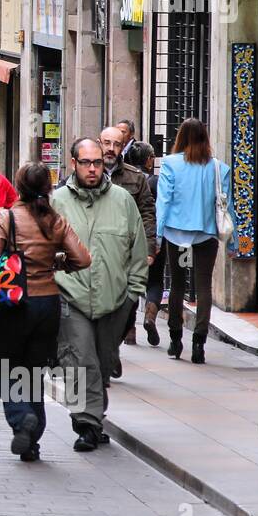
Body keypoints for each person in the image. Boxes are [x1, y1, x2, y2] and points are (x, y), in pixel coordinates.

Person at [0, 163, 90, 461]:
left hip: (15, 303)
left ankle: (20, 416)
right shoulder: (56, 221)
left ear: (19, 187)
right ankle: (31, 442)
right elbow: (83, 259)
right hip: (48, 304)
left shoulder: (6, 218)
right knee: (33, 372)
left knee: (5, 369)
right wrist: (57, 263)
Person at [52, 138, 148, 452]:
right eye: (85, 162)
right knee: (81, 361)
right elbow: (42, 250)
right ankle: (87, 424)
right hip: (71, 296)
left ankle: (95, 415)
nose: (92, 168)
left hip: (115, 299)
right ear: (73, 164)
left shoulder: (122, 200)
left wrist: (133, 293)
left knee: (103, 362)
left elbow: (138, 250)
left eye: (97, 163)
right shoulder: (57, 202)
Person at [155, 117, 229, 362]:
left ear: (180, 137)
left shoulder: (170, 164)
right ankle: (199, 342)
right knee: (204, 286)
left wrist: (157, 234)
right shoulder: (219, 167)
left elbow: (164, 200)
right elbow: (226, 205)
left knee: (177, 285)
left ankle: (176, 339)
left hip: (176, 233)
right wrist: (235, 239)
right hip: (206, 234)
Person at [100, 125, 157, 372]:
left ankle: (112, 345)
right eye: (107, 143)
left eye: (116, 144)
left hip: (126, 254)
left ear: (123, 147)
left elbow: (147, 213)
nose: (111, 149)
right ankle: (107, 353)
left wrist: (149, 248)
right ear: (99, 143)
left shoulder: (135, 178)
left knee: (128, 306)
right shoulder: (87, 173)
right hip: (98, 253)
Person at [127, 140, 165, 344]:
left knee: (131, 282)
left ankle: (130, 330)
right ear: (149, 161)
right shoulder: (156, 182)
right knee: (155, 280)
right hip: (152, 237)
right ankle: (150, 315)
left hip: (130, 240)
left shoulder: (126, 181)